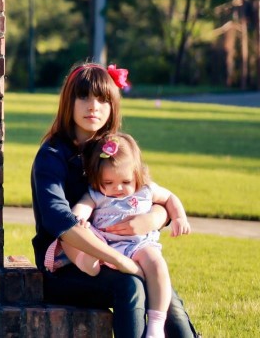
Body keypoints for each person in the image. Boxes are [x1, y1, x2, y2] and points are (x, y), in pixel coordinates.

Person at [31, 62, 198, 337]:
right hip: (67, 265)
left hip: (121, 251)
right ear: (68, 102)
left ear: (113, 106)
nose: (93, 106)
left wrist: (152, 219)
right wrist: (120, 262)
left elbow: (147, 192)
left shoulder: (113, 150)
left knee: (164, 293)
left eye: (102, 99)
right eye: (83, 96)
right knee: (131, 285)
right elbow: (58, 219)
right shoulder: (51, 156)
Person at [58, 132, 191, 338]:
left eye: (125, 181)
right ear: (97, 178)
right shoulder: (97, 195)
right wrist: (79, 218)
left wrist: (180, 217)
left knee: (157, 265)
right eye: (108, 182)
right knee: (86, 242)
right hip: (107, 246)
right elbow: (82, 207)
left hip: (139, 245)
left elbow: (170, 198)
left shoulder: (146, 190)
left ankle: (156, 324)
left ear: (137, 174)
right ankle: (88, 261)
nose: (117, 188)